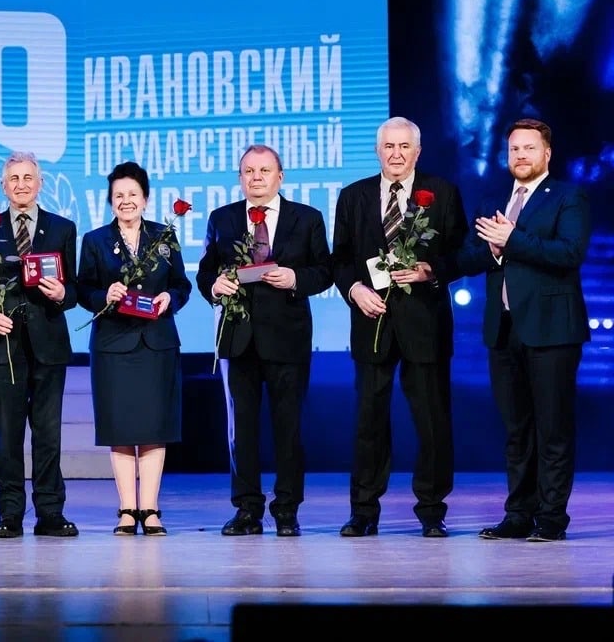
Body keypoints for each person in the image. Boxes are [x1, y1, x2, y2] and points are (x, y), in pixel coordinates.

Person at [331, 117, 469, 538]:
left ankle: (431, 510)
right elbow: (339, 259)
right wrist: (354, 289)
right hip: (371, 320)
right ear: (378, 151)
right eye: (388, 146)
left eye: (404, 146)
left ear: (417, 151)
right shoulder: (353, 196)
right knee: (369, 421)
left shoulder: (442, 192)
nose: (396, 154)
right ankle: (363, 511)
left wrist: (432, 270)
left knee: (432, 421)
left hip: (425, 323)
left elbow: (462, 251)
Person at [458, 118, 591, 542]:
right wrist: (492, 250)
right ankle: (518, 514)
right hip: (504, 329)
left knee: (552, 429)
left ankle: (551, 518)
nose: (520, 155)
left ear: (546, 153)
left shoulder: (568, 196)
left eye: (529, 148)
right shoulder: (494, 199)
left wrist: (511, 240)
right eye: (514, 148)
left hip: (552, 331)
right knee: (516, 430)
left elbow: (569, 253)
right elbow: (470, 256)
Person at [197, 144, 332, 537]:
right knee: (241, 430)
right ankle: (247, 510)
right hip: (237, 338)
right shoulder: (221, 218)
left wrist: (295, 278)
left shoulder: (306, 218)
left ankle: (287, 509)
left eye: (264, 171)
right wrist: (214, 286)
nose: (256, 177)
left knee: (288, 428)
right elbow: (205, 272)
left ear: (280, 176)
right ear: (240, 178)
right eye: (249, 171)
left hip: (287, 337)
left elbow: (324, 270)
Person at [76, 161, 192, 536]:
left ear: (145, 199)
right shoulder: (95, 240)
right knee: (121, 428)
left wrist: (169, 298)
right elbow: (83, 290)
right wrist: (103, 295)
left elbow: (182, 285)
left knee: (154, 427)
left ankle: (151, 509)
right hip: (113, 346)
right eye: (118, 195)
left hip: (156, 343)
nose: (126, 201)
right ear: (110, 201)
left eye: (133, 194)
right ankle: (127, 509)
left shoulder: (164, 236)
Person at [0, 152, 79, 539]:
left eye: (27, 177)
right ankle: (10, 512)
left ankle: (50, 512)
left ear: (40, 183)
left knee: (48, 434)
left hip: (49, 343)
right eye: (13, 178)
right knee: (8, 434)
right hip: (3, 345)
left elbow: (75, 289)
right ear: (3, 186)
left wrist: (63, 293)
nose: (21, 184)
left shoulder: (62, 228)